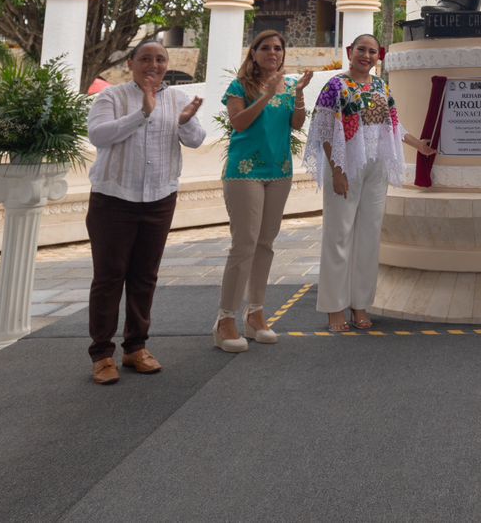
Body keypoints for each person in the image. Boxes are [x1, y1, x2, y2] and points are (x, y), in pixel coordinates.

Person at [84, 38, 206, 384]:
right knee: (109, 277)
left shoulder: (177, 98)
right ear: (131, 64)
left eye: (160, 59)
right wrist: (143, 113)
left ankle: (136, 347)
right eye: (146, 59)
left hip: (159, 198)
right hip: (113, 198)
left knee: (144, 276)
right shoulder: (112, 97)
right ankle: (102, 354)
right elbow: (99, 135)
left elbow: (196, 140)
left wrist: (184, 121)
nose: (153, 65)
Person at [305, 33, 435, 332]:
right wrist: (336, 171)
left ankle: (360, 304)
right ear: (350, 52)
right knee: (339, 237)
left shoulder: (380, 86)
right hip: (346, 165)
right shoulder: (335, 86)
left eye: (372, 51)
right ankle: (334, 308)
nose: (366, 55)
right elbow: (324, 130)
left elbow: (393, 124)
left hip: (376, 167)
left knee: (368, 237)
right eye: (361, 50)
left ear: (380, 56)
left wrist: (420, 145)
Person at [216, 31, 312, 353]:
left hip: (279, 170)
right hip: (245, 172)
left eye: (278, 48)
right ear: (253, 53)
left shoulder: (288, 84)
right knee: (244, 243)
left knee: (265, 244)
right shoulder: (239, 86)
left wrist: (297, 94)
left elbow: (296, 124)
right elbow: (239, 123)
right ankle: (225, 319)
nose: (273, 52)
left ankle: (255, 314)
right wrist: (267, 95)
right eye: (266, 48)